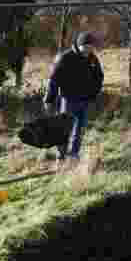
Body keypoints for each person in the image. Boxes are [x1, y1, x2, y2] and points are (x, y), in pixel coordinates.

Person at [43, 31, 104, 163]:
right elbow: (54, 80)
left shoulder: (93, 59)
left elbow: (99, 77)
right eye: (86, 48)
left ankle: (74, 155)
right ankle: (62, 156)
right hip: (68, 99)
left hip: (85, 100)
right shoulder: (65, 58)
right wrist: (49, 99)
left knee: (79, 130)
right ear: (79, 45)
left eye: (90, 48)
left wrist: (94, 94)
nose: (88, 51)